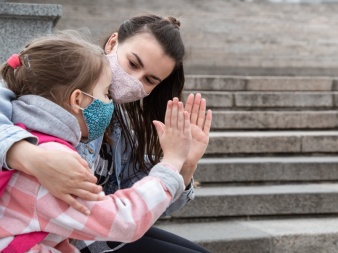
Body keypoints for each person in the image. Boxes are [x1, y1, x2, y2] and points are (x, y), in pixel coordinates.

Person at [0, 14, 212, 252]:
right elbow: (124, 219)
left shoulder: (122, 123)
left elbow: (145, 200)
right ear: (113, 42)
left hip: (92, 230)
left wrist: (184, 165)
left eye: (150, 80)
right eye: (133, 64)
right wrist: (28, 155)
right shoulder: (50, 83)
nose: (134, 81)